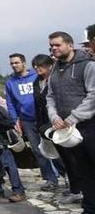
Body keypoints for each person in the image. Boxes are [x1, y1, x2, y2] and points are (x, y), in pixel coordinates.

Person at [46, 31, 95, 213]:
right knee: (84, 171)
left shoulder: (88, 66)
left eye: (57, 45)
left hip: (89, 125)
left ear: (70, 45)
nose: (53, 48)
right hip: (69, 129)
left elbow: (93, 96)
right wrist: (54, 117)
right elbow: (50, 96)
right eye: (51, 45)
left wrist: (72, 118)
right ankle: (90, 207)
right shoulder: (55, 70)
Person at [5, 53, 60, 190]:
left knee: (55, 147)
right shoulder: (10, 82)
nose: (14, 65)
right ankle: (50, 179)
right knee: (38, 150)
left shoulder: (36, 76)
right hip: (27, 120)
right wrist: (14, 120)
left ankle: (66, 175)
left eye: (17, 62)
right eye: (12, 63)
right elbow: (10, 102)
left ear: (24, 63)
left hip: (45, 118)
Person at [31, 53, 81, 205]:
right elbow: (38, 105)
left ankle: (78, 189)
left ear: (49, 65)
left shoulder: (57, 79)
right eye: (35, 66)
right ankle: (74, 189)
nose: (37, 68)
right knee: (62, 156)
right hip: (46, 125)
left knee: (73, 158)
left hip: (62, 123)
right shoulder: (36, 82)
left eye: (40, 65)